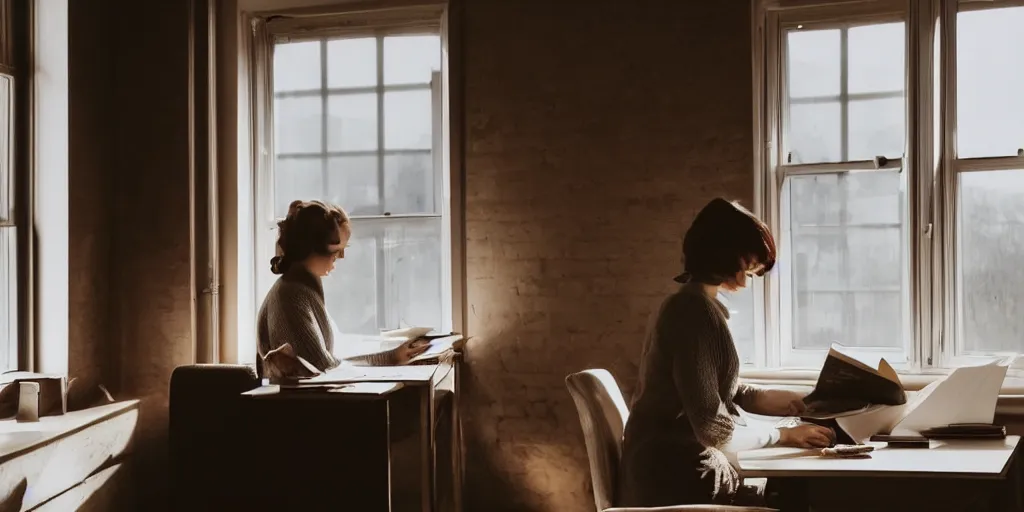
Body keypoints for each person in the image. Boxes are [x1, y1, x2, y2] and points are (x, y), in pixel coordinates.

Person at [617, 198, 835, 507]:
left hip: (669, 466)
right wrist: (783, 435)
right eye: (748, 264)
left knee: (791, 488)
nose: (749, 276)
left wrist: (807, 400)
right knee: (796, 493)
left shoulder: (694, 306)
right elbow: (713, 429)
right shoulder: (694, 313)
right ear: (725, 254)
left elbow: (730, 392)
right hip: (675, 475)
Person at [256, 200, 428, 380]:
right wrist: (390, 357)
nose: (341, 257)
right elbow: (324, 368)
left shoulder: (302, 288)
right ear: (312, 246)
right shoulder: (291, 296)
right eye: (337, 250)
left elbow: (335, 353)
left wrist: (393, 354)